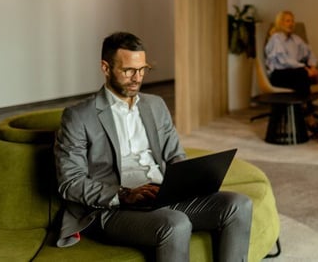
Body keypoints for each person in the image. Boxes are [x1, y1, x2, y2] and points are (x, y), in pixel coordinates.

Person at [54, 32, 252, 262]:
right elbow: (70, 182)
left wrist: (187, 183)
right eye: (128, 70)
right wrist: (124, 195)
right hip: (114, 209)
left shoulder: (155, 105)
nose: (137, 78)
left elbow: (175, 156)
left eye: (143, 69)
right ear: (106, 68)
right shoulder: (78, 116)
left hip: (162, 195)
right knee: (176, 224)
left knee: (239, 205)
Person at [264, 10, 318, 97]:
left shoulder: (296, 39)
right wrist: (306, 70)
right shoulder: (276, 38)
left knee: (306, 74)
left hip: (295, 71)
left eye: (292, 21)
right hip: (279, 74)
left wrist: (312, 67)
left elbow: (309, 53)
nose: (291, 24)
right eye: (288, 21)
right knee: (302, 74)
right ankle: (303, 106)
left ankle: (302, 106)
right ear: (280, 23)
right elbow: (285, 61)